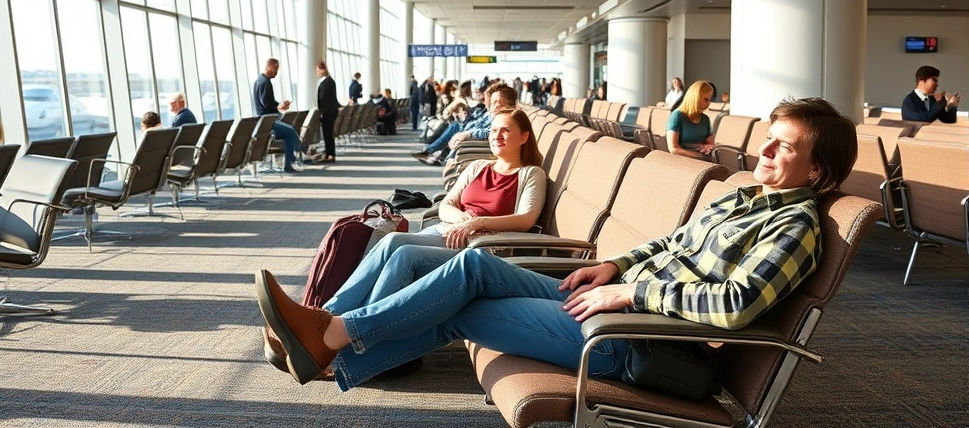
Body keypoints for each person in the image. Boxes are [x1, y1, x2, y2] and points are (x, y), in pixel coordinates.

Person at [255, 97, 859, 391]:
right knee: (469, 266)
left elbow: (734, 304)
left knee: (460, 303)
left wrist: (630, 293)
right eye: (770, 139)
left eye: (785, 147)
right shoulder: (744, 197)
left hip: (641, 341)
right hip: (619, 301)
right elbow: (669, 243)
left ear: (818, 173)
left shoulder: (794, 227)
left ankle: (332, 342)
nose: (766, 151)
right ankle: (329, 336)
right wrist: (615, 266)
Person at [258, 109, 546, 373]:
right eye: (494, 130)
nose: (497, 135)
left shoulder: (530, 174)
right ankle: (323, 321)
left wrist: (476, 223)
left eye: (505, 130)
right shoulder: (477, 167)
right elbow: (447, 204)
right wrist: (461, 219)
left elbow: (526, 218)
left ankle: (330, 333)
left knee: (406, 255)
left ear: (523, 137)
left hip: (483, 245)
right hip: (447, 231)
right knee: (392, 241)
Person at [411, 83, 517, 165]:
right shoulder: (493, 114)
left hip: (475, 144)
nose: (496, 105)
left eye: (500, 101)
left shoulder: (506, 118)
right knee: (456, 127)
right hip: (470, 137)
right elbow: (478, 124)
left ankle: (437, 153)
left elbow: (491, 132)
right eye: (494, 101)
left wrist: (468, 133)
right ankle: (437, 153)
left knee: (456, 129)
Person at [253, 58, 304, 173]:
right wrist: (279, 106)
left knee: (289, 130)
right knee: (290, 131)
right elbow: (266, 103)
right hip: (267, 122)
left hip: (265, 120)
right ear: (269, 67)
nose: (277, 71)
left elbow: (266, 102)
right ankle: (297, 154)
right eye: (275, 68)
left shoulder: (259, 81)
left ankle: (293, 158)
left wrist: (278, 106)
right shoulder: (265, 82)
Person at [666, 81, 715, 160]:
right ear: (695, 98)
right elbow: (673, 148)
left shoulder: (705, 119)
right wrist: (697, 156)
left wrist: (710, 147)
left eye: (710, 100)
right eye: (705, 99)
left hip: (703, 160)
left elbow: (711, 144)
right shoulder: (677, 116)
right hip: (682, 161)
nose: (709, 103)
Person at [316, 61, 340, 163]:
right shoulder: (330, 81)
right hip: (331, 111)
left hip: (327, 112)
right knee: (328, 134)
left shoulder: (326, 83)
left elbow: (322, 98)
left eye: (318, 70)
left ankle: (330, 155)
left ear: (323, 70)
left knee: (328, 134)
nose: (317, 73)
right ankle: (329, 153)